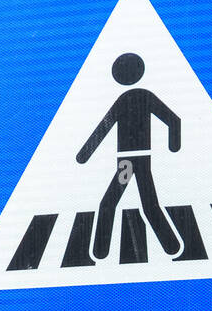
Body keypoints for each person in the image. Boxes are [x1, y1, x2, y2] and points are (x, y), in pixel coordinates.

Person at [76, 52, 183, 260]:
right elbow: (174, 121)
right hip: (138, 160)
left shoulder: (130, 98)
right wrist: (173, 146)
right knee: (148, 205)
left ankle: (100, 250)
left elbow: (103, 129)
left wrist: (84, 155)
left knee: (109, 203)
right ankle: (171, 246)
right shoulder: (143, 96)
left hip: (128, 162)